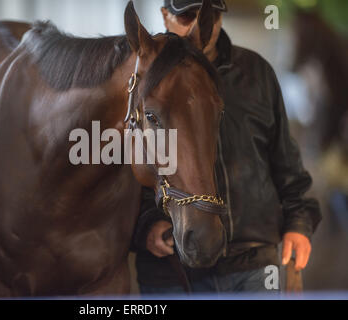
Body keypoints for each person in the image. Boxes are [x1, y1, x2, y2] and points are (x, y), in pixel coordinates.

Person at [131, 0, 322, 294]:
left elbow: (285, 159)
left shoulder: (257, 73)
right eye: (188, 17)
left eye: (210, 17)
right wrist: (147, 225)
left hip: (254, 261)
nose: (200, 27)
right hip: (173, 266)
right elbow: (129, 167)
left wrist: (298, 222)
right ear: (165, 17)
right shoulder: (143, 80)